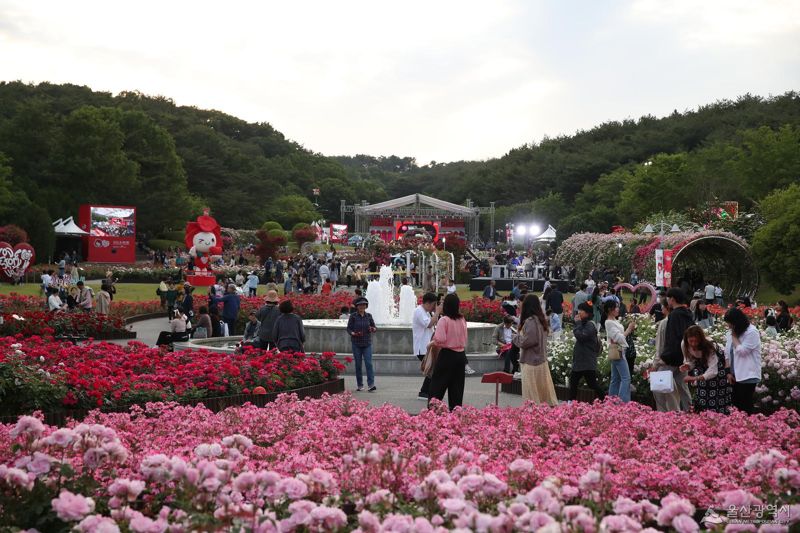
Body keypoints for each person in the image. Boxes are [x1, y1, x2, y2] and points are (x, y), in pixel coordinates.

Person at [514, 294, 557, 405]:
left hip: (531, 362)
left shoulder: (530, 321)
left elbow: (528, 341)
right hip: (541, 361)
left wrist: (516, 338)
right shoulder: (541, 320)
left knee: (531, 397)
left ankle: (534, 420)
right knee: (544, 396)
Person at [428, 293, 468, 410]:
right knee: (457, 390)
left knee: (437, 388)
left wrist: (431, 343)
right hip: (460, 356)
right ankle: (455, 415)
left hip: (447, 355)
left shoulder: (444, 320)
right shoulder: (462, 319)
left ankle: (432, 415)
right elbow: (465, 338)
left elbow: (439, 340)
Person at [680, 326, 732, 414]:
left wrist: (694, 378)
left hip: (718, 369)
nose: (693, 344)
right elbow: (691, 361)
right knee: (702, 396)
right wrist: (687, 366)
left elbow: (713, 371)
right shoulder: (684, 344)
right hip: (703, 368)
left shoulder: (709, 346)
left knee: (717, 399)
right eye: (691, 341)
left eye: (696, 341)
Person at [724, 307, 762, 414]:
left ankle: (748, 428)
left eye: (730, 323)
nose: (729, 326)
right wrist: (728, 372)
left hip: (748, 375)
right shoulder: (732, 332)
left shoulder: (752, 332)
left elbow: (742, 351)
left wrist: (735, 337)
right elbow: (727, 352)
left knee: (745, 406)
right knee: (735, 406)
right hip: (734, 375)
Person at [661, 288, 694, 411]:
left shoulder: (674, 315)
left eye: (668, 298)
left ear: (672, 299)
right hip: (685, 357)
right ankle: (689, 411)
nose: (667, 301)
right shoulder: (688, 313)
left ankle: (668, 414)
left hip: (673, 358)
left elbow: (672, 339)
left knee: (663, 386)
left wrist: (665, 357)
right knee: (683, 387)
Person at [569, 302, 605, 402]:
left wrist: (577, 324)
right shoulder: (584, 323)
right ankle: (571, 402)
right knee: (574, 382)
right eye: (579, 310)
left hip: (587, 361)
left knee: (592, 384)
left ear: (588, 313)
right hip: (581, 361)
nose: (579, 312)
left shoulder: (590, 325)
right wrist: (578, 324)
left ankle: (605, 400)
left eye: (581, 310)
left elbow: (581, 336)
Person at [604, 300, 634, 403]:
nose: (618, 309)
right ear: (609, 309)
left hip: (618, 351)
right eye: (616, 307)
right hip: (618, 351)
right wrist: (628, 330)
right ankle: (622, 403)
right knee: (626, 378)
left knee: (615, 379)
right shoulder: (609, 322)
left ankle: (611, 402)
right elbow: (618, 338)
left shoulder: (614, 321)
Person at [347, 296, 377, 392]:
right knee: (358, 365)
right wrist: (353, 333)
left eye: (364, 305)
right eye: (360, 305)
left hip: (367, 343)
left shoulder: (369, 316)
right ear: (357, 306)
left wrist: (372, 329)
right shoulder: (353, 317)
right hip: (356, 343)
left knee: (369, 364)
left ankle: (371, 385)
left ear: (366, 306)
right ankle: (360, 385)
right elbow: (348, 329)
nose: (362, 306)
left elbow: (374, 327)